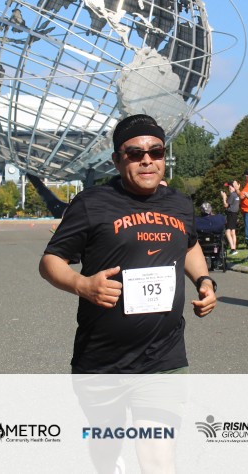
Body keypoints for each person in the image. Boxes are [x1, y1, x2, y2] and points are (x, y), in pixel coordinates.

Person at [39, 113, 217, 374]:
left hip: (166, 359)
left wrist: (204, 281)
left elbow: (189, 246)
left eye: (156, 152)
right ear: (116, 160)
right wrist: (83, 285)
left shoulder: (180, 203)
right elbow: (50, 261)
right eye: (135, 153)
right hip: (103, 363)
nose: (147, 160)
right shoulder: (91, 203)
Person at [220, 180, 240, 255]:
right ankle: (234, 248)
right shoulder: (236, 195)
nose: (228, 188)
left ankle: (233, 248)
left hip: (230, 214)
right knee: (233, 232)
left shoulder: (232, 195)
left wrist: (224, 197)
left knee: (228, 232)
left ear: (232, 187)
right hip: (234, 214)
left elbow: (226, 205)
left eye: (229, 186)